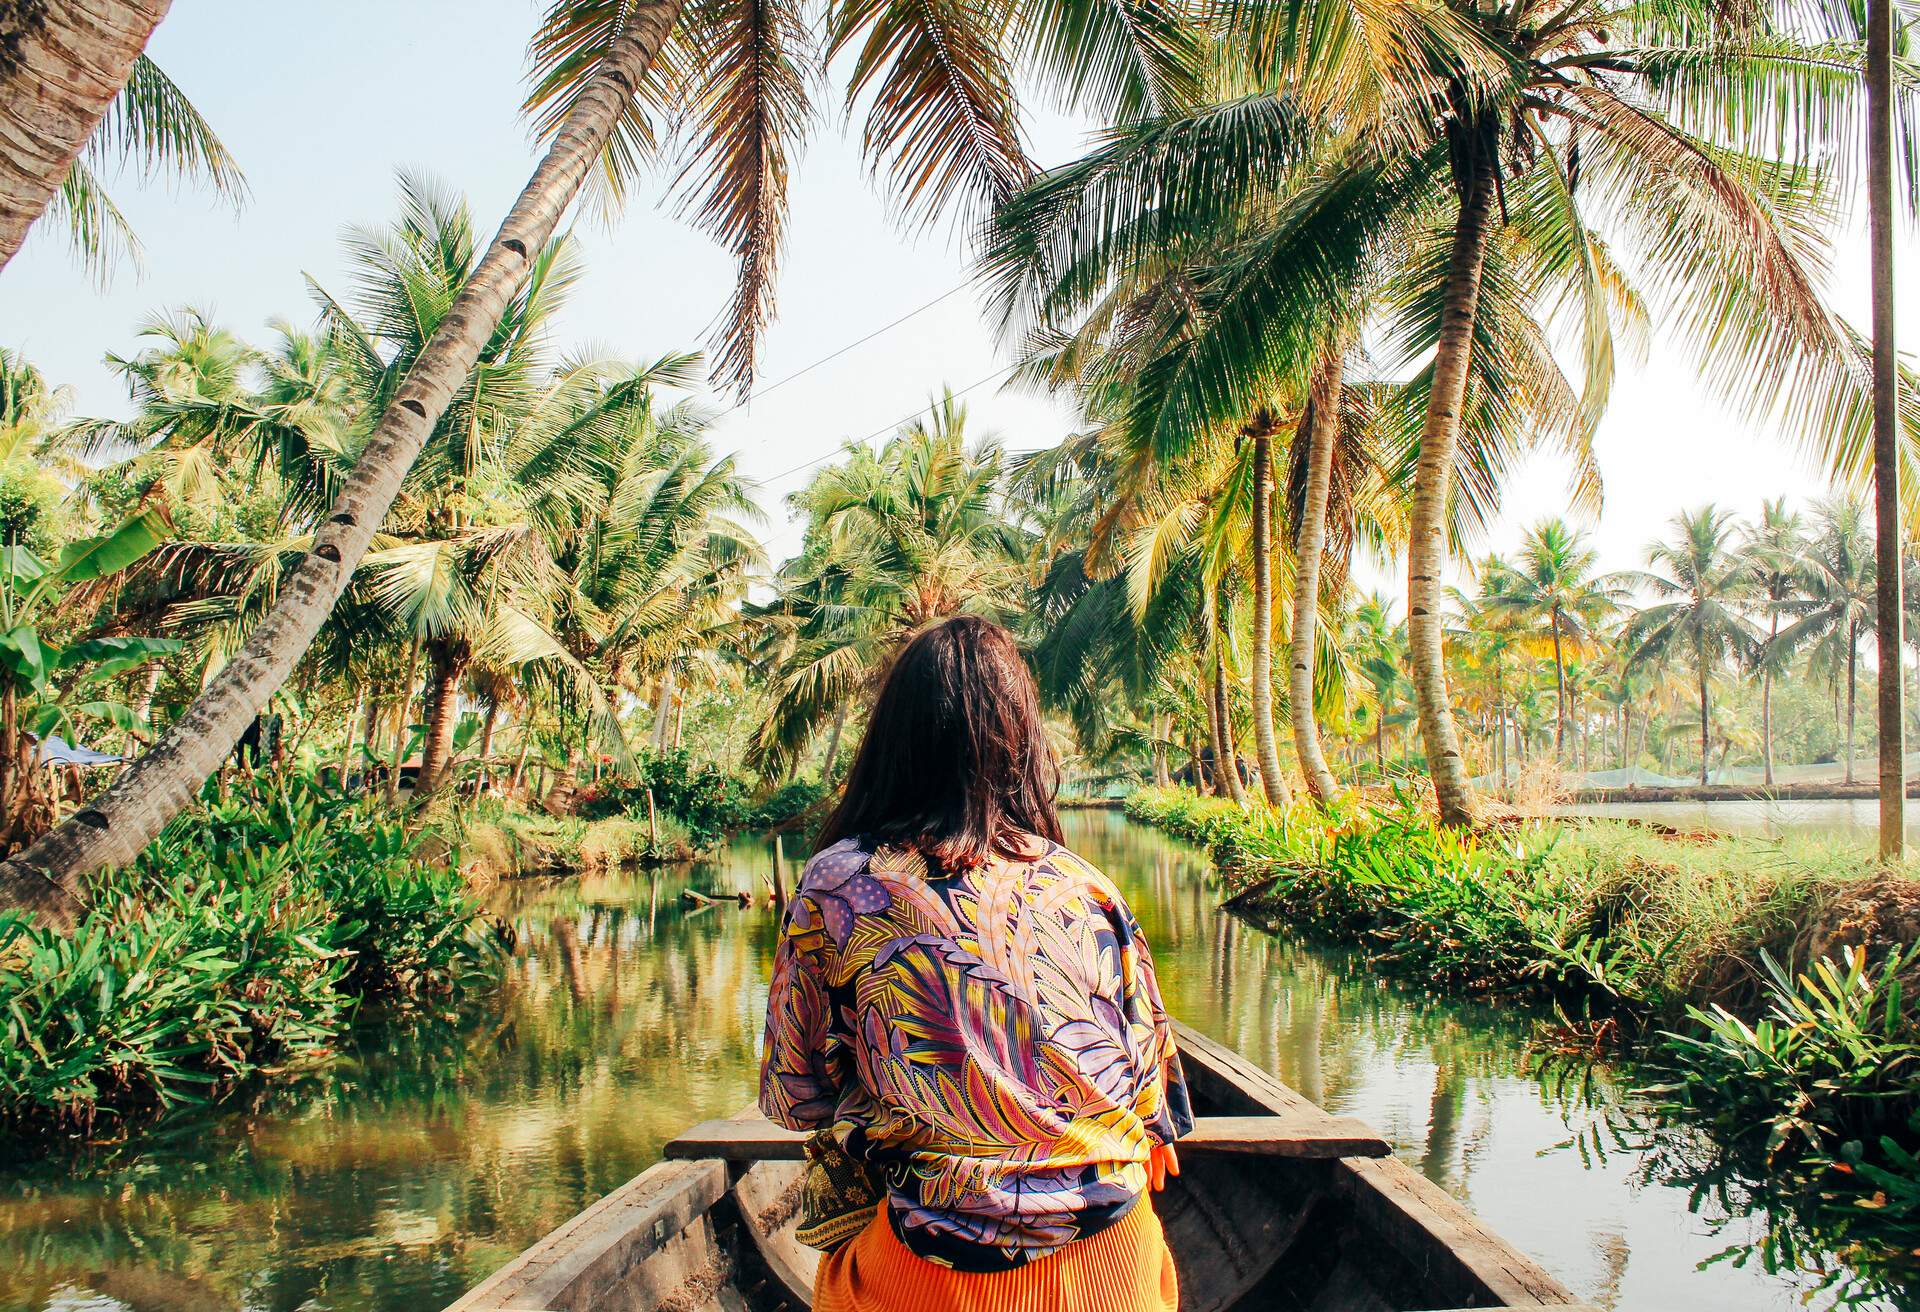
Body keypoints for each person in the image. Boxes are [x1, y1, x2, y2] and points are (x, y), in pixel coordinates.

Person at [760, 615, 1191, 1312]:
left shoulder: (839, 883)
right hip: (1118, 1264)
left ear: (892, 742)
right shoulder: (1084, 884)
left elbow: (796, 1096)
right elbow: (1155, 1110)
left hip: (938, 1272)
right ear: (1019, 742)